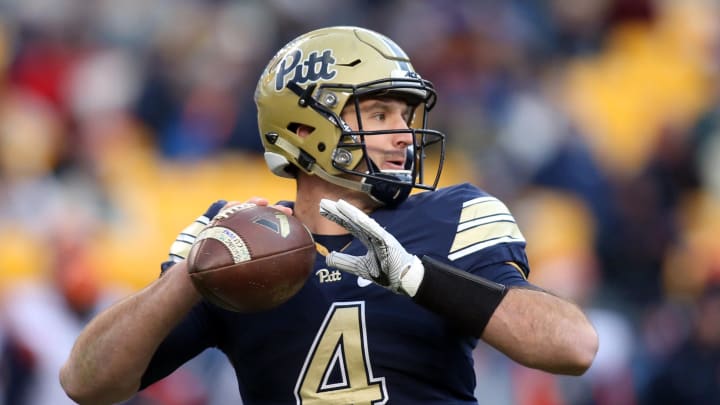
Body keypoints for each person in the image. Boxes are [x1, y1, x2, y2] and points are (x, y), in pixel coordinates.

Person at [60, 26, 598, 404]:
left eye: (407, 116)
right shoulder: (238, 240)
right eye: (380, 113)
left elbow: (572, 346)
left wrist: (417, 276)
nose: (402, 136)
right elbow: (88, 384)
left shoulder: (454, 213)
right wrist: (191, 276)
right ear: (301, 127)